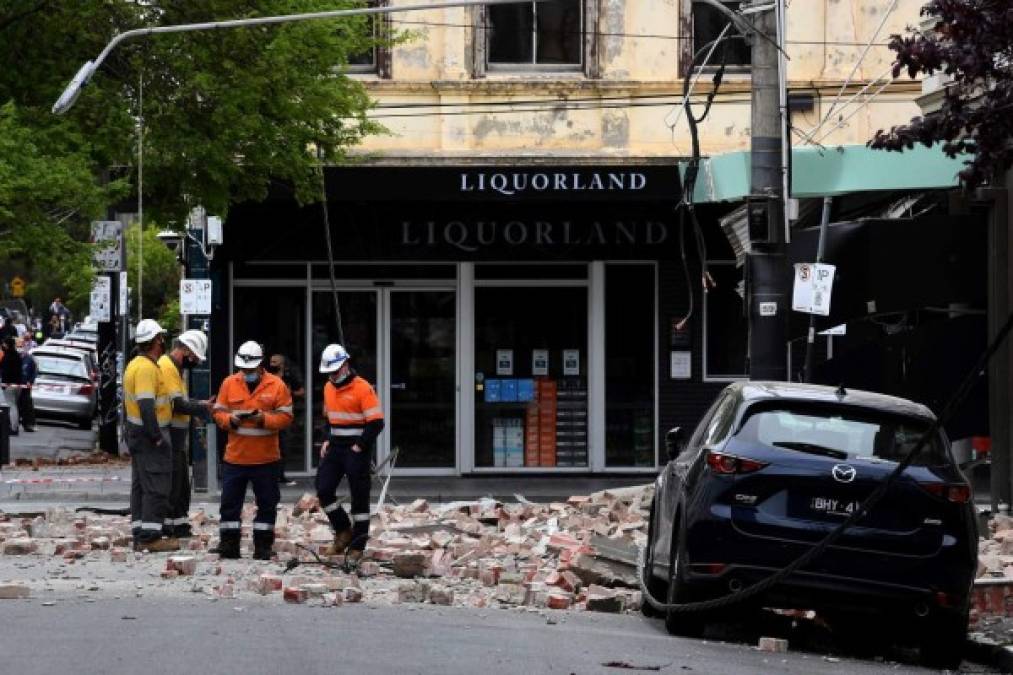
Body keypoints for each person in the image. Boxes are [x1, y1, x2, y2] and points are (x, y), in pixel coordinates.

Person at [212, 341, 293, 560]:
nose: (246, 373)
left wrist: (263, 419)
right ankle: (229, 545)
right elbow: (218, 413)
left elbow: (286, 417)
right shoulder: (229, 383)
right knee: (229, 505)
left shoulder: (277, 385)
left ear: (260, 365)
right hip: (235, 458)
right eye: (243, 369)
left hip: (266, 459)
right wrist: (230, 420)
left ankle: (263, 547)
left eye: (250, 369)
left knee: (267, 505)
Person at [315, 344, 384, 570]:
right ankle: (343, 529)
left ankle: (357, 545)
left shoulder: (363, 388)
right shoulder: (328, 387)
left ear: (345, 366)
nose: (332, 376)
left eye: (335, 371)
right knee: (323, 489)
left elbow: (376, 423)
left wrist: (359, 446)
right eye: (329, 373)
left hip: (356, 448)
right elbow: (329, 418)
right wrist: (326, 438)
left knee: (359, 497)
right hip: (335, 446)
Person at [124, 319, 178, 553]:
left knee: (141, 486)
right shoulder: (146, 369)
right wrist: (157, 436)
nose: (162, 341)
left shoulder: (136, 364)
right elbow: (146, 405)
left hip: (138, 435)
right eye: (160, 338)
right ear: (156, 340)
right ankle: (150, 537)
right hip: (149, 436)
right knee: (156, 486)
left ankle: (140, 532)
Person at [157, 330, 212, 539]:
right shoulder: (167, 367)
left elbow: (181, 401)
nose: (196, 362)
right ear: (186, 350)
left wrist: (197, 408)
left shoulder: (176, 369)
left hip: (178, 437)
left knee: (180, 487)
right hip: (170, 435)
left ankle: (178, 526)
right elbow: (178, 404)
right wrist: (202, 407)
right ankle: (170, 527)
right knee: (173, 487)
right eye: (195, 357)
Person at [266, 353, 304, 486]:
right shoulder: (266, 377)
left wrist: (289, 393)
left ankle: (280, 475)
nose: (272, 365)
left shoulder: (288, 377)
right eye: (271, 362)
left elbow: (301, 391)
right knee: (269, 446)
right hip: (269, 416)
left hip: (283, 416)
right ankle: (270, 475)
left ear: (282, 364)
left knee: (283, 447)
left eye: (275, 362)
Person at [0, 336, 22, 435]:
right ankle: (15, 426)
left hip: (9, 384)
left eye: (4, 344)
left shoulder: (7, 356)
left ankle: (13, 427)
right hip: (18, 384)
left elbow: (5, 371)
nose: (3, 345)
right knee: (14, 405)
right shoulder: (17, 355)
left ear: (8, 345)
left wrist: (4, 383)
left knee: (11, 405)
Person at [17, 337, 36, 432]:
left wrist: (30, 381)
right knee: (14, 405)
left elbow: (34, 371)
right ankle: (13, 425)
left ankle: (28, 424)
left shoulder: (29, 359)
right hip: (14, 386)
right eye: (18, 345)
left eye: (21, 345)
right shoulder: (12, 357)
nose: (19, 348)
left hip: (25, 386)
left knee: (27, 406)